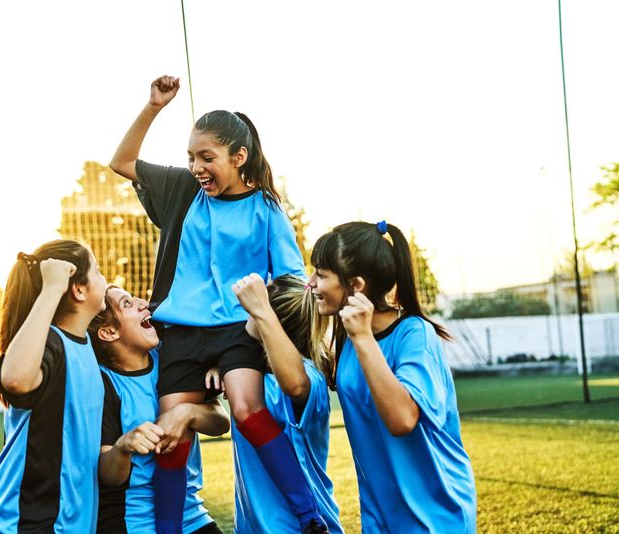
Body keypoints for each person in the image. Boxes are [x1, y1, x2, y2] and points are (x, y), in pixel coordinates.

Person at [110, 75, 328, 534]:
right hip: (182, 334)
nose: (196, 167)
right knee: (171, 429)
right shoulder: (181, 190)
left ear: (239, 157)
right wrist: (153, 107)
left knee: (248, 410)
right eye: (191, 157)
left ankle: (310, 517)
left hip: (239, 331)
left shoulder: (268, 209)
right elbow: (122, 161)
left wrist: (258, 333)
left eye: (207, 158)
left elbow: (292, 286)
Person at [308, 221, 477, 533]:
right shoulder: (348, 337)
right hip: (380, 519)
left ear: (356, 285)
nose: (311, 283)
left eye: (321, 274)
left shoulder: (414, 334)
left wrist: (363, 339)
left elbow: (402, 420)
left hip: (435, 517)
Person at [0, 240, 107, 533]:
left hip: (71, 522)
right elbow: (16, 379)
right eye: (98, 271)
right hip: (29, 521)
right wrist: (52, 287)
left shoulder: (87, 343)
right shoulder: (50, 342)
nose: (105, 278)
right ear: (78, 290)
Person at [207, 273, 344, 533]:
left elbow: (296, 385)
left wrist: (262, 313)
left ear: (272, 323)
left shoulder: (309, 378)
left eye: (255, 307)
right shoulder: (248, 377)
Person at [88, 285, 228, 534]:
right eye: (127, 304)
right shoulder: (103, 384)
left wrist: (188, 413)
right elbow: (109, 476)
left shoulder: (171, 359)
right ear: (109, 332)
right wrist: (123, 447)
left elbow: (220, 422)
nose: (143, 303)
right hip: (134, 520)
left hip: (190, 514)